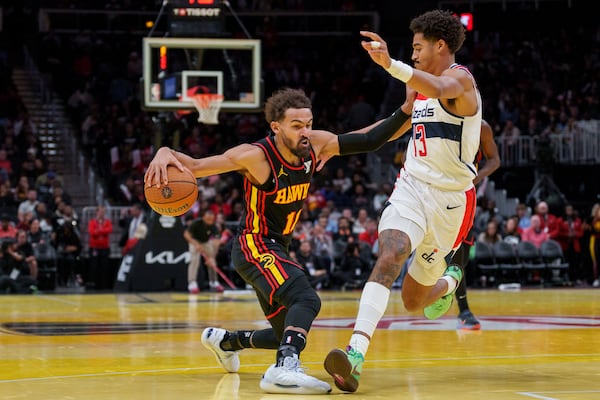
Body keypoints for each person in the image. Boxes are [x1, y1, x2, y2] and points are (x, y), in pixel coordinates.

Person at [145, 87, 412, 394]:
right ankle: (283, 369)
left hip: (276, 247)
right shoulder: (255, 157)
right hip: (253, 244)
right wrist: (164, 151)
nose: (305, 132)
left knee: (287, 329)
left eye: (309, 124)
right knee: (307, 300)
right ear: (276, 127)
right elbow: (196, 166)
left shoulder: (315, 145)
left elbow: (370, 139)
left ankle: (225, 341)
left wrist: (407, 110)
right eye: (297, 126)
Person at [313, 11, 483, 392]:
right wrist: (336, 144)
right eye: (411, 50)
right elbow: (384, 133)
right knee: (390, 253)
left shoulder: (461, 81)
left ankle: (449, 280)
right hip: (411, 188)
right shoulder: (417, 91)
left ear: (440, 46)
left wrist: (391, 64)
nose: (415, 54)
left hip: (451, 203)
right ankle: (355, 355)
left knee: (413, 300)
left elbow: (440, 88)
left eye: (418, 47)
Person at [452, 119, 500, 330]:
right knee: (452, 260)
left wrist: (477, 177)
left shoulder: (482, 127)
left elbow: (494, 160)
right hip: (438, 196)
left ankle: (447, 292)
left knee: (462, 259)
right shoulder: (438, 120)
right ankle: (464, 309)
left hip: (465, 199)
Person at [183, 209, 224, 294]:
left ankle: (214, 282)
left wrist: (212, 257)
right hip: (194, 241)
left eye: (211, 219)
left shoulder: (214, 226)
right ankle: (192, 283)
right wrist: (196, 244)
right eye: (208, 219)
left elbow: (216, 243)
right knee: (194, 260)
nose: (210, 221)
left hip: (205, 242)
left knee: (212, 262)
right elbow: (186, 235)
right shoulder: (196, 223)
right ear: (203, 217)